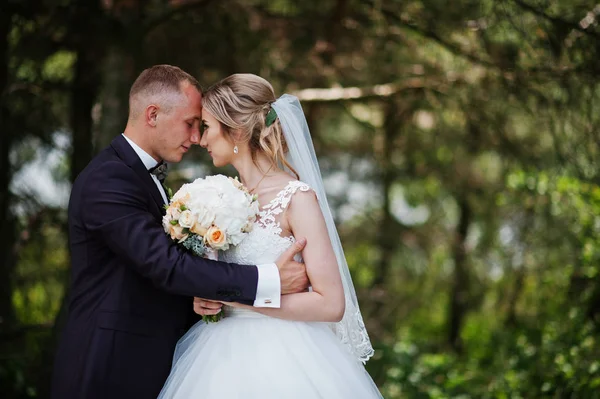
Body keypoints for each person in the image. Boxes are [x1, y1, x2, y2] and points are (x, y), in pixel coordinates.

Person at [50, 65, 308, 399]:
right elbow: (165, 264)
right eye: (190, 124)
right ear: (153, 114)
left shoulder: (145, 178)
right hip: (107, 366)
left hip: (153, 363)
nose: (197, 138)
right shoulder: (108, 179)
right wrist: (268, 280)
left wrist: (199, 301)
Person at [158, 74, 382, 398]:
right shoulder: (217, 198)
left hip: (285, 356)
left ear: (234, 130)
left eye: (206, 127)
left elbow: (331, 304)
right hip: (218, 358)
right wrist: (207, 300)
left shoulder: (296, 198)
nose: (200, 139)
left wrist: (237, 298)